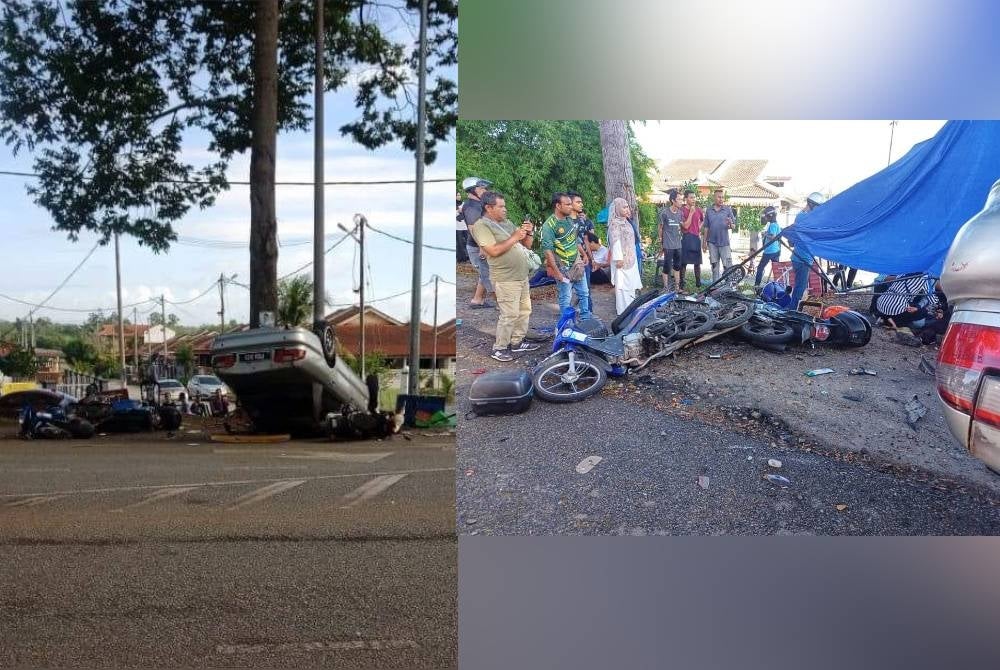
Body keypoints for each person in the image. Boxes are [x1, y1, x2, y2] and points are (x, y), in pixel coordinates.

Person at [470, 191, 541, 362]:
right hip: (505, 278)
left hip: (521, 276)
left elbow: (527, 245)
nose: (505, 209)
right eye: (501, 206)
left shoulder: (507, 223)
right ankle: (500, 348)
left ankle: (517, 342)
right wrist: (515, 237)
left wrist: (528, 233)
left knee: (524, 311)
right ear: (489, 207)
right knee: (509, 314)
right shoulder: (482, 226)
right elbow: (492, 251)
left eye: (504, 206)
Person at [542, 192, 592, 320]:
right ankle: (566, 324)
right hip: (562, 266)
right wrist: (556, 271)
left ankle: (586, 319)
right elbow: (548, 251)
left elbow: (574, 240)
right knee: (566, 297)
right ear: (558, 206)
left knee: (584, 293)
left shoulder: (569, 220)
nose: (571, 207)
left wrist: (583, 254)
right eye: (568, 204)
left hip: (576, 262)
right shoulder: (549, 225)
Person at [458, 176, 494, 309]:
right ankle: (501, 303)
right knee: (488, 273)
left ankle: (477, 300)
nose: (485, 190)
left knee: (485, 272)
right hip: (477, 246)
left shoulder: (479, 204)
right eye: (481, 188)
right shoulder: (471, 207)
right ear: (472, 190)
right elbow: (474, 229)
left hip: (483, 244)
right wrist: (483, 248)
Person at [788, 191, 826, 308]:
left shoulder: (801, 216)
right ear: (813, 205)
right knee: (800, 288)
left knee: (799, 286)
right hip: (802, 259)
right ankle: (793, 312)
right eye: (818, 207)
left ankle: (793, 309)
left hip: (798, 257)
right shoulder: (806, 218)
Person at [607, 197, 643, 314]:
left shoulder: (626, 222)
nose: (627, 209)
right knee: (622, 287)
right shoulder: (615, 224)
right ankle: (623, 312)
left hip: (631, 258)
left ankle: (631, 309)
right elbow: (615, 242)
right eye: (624, 207)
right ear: (617, 209)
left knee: (631, 285)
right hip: (621, 261)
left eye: (627, 206)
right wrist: (618, 258)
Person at [568, 191, 596, 313]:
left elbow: (585, 240)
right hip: (570, 259)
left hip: (584, 260)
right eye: (578, 202)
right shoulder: (566, 221)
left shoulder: (582, 221)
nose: (581, 204)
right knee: (567, 291)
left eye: (581, 202)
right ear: (570, 203)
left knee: (586, 289)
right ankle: (567, 316)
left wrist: (591, 258)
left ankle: (588, 315)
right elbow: (574, 242)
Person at [704, 189, 736, 281]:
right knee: (714, 266)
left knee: (728, 266)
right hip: (712, 243)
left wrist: (730, 223)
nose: (721, 199)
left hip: (724, 243)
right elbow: (706, 227)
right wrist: (704, 243)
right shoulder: (709, 210)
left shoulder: (727, 209)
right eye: (719, 197)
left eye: (722, 197)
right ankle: (715, 288)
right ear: (714, 198)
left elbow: (733, 226)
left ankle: (729, 286)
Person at [658, 189, 684, 291]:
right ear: (673, 200)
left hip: (678, 245)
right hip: (668, 245)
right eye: (679, 199)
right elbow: (660, 227)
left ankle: (677, 287)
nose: (681, 201)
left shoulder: (680, 213)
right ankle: (666, 288)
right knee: (667, 267)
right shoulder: (664, 213)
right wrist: (661, 241)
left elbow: (680, 226)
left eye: (682, 199)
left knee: (677, 267)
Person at [679, 190, 704, 289]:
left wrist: (699, 227)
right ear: (686, 199)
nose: (694, 199)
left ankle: (698, 282)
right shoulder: (681, 210)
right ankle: (682, 282)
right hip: (686, 237)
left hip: (696, 237)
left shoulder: (698, 210)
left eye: (694, 197)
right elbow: (685, 226)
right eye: (691, 197)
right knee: (683, 262)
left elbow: (703, 219)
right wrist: (691, 213)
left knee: (697, 262)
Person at [754, 206, 782, 290]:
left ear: (770, 216)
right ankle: (779, 286)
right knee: (777, 269)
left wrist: (765, 234)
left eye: (766, 216)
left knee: (760, 267)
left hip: (769, 251)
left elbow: (773, 236)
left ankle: (756, 285)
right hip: (776, 250)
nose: (765, 218)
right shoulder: (776, 224)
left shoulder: (773, 225)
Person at [455, 191, 469, 263]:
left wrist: (462, 211)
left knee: (467, 242)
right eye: (457, 195)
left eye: (459, 195)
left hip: (465, 226)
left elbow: (467, 212)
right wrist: (458, 211)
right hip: (457, 227)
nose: (459, 196)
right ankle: (460, 258)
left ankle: (468, 257)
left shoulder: (463, 204)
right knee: (459, 243)